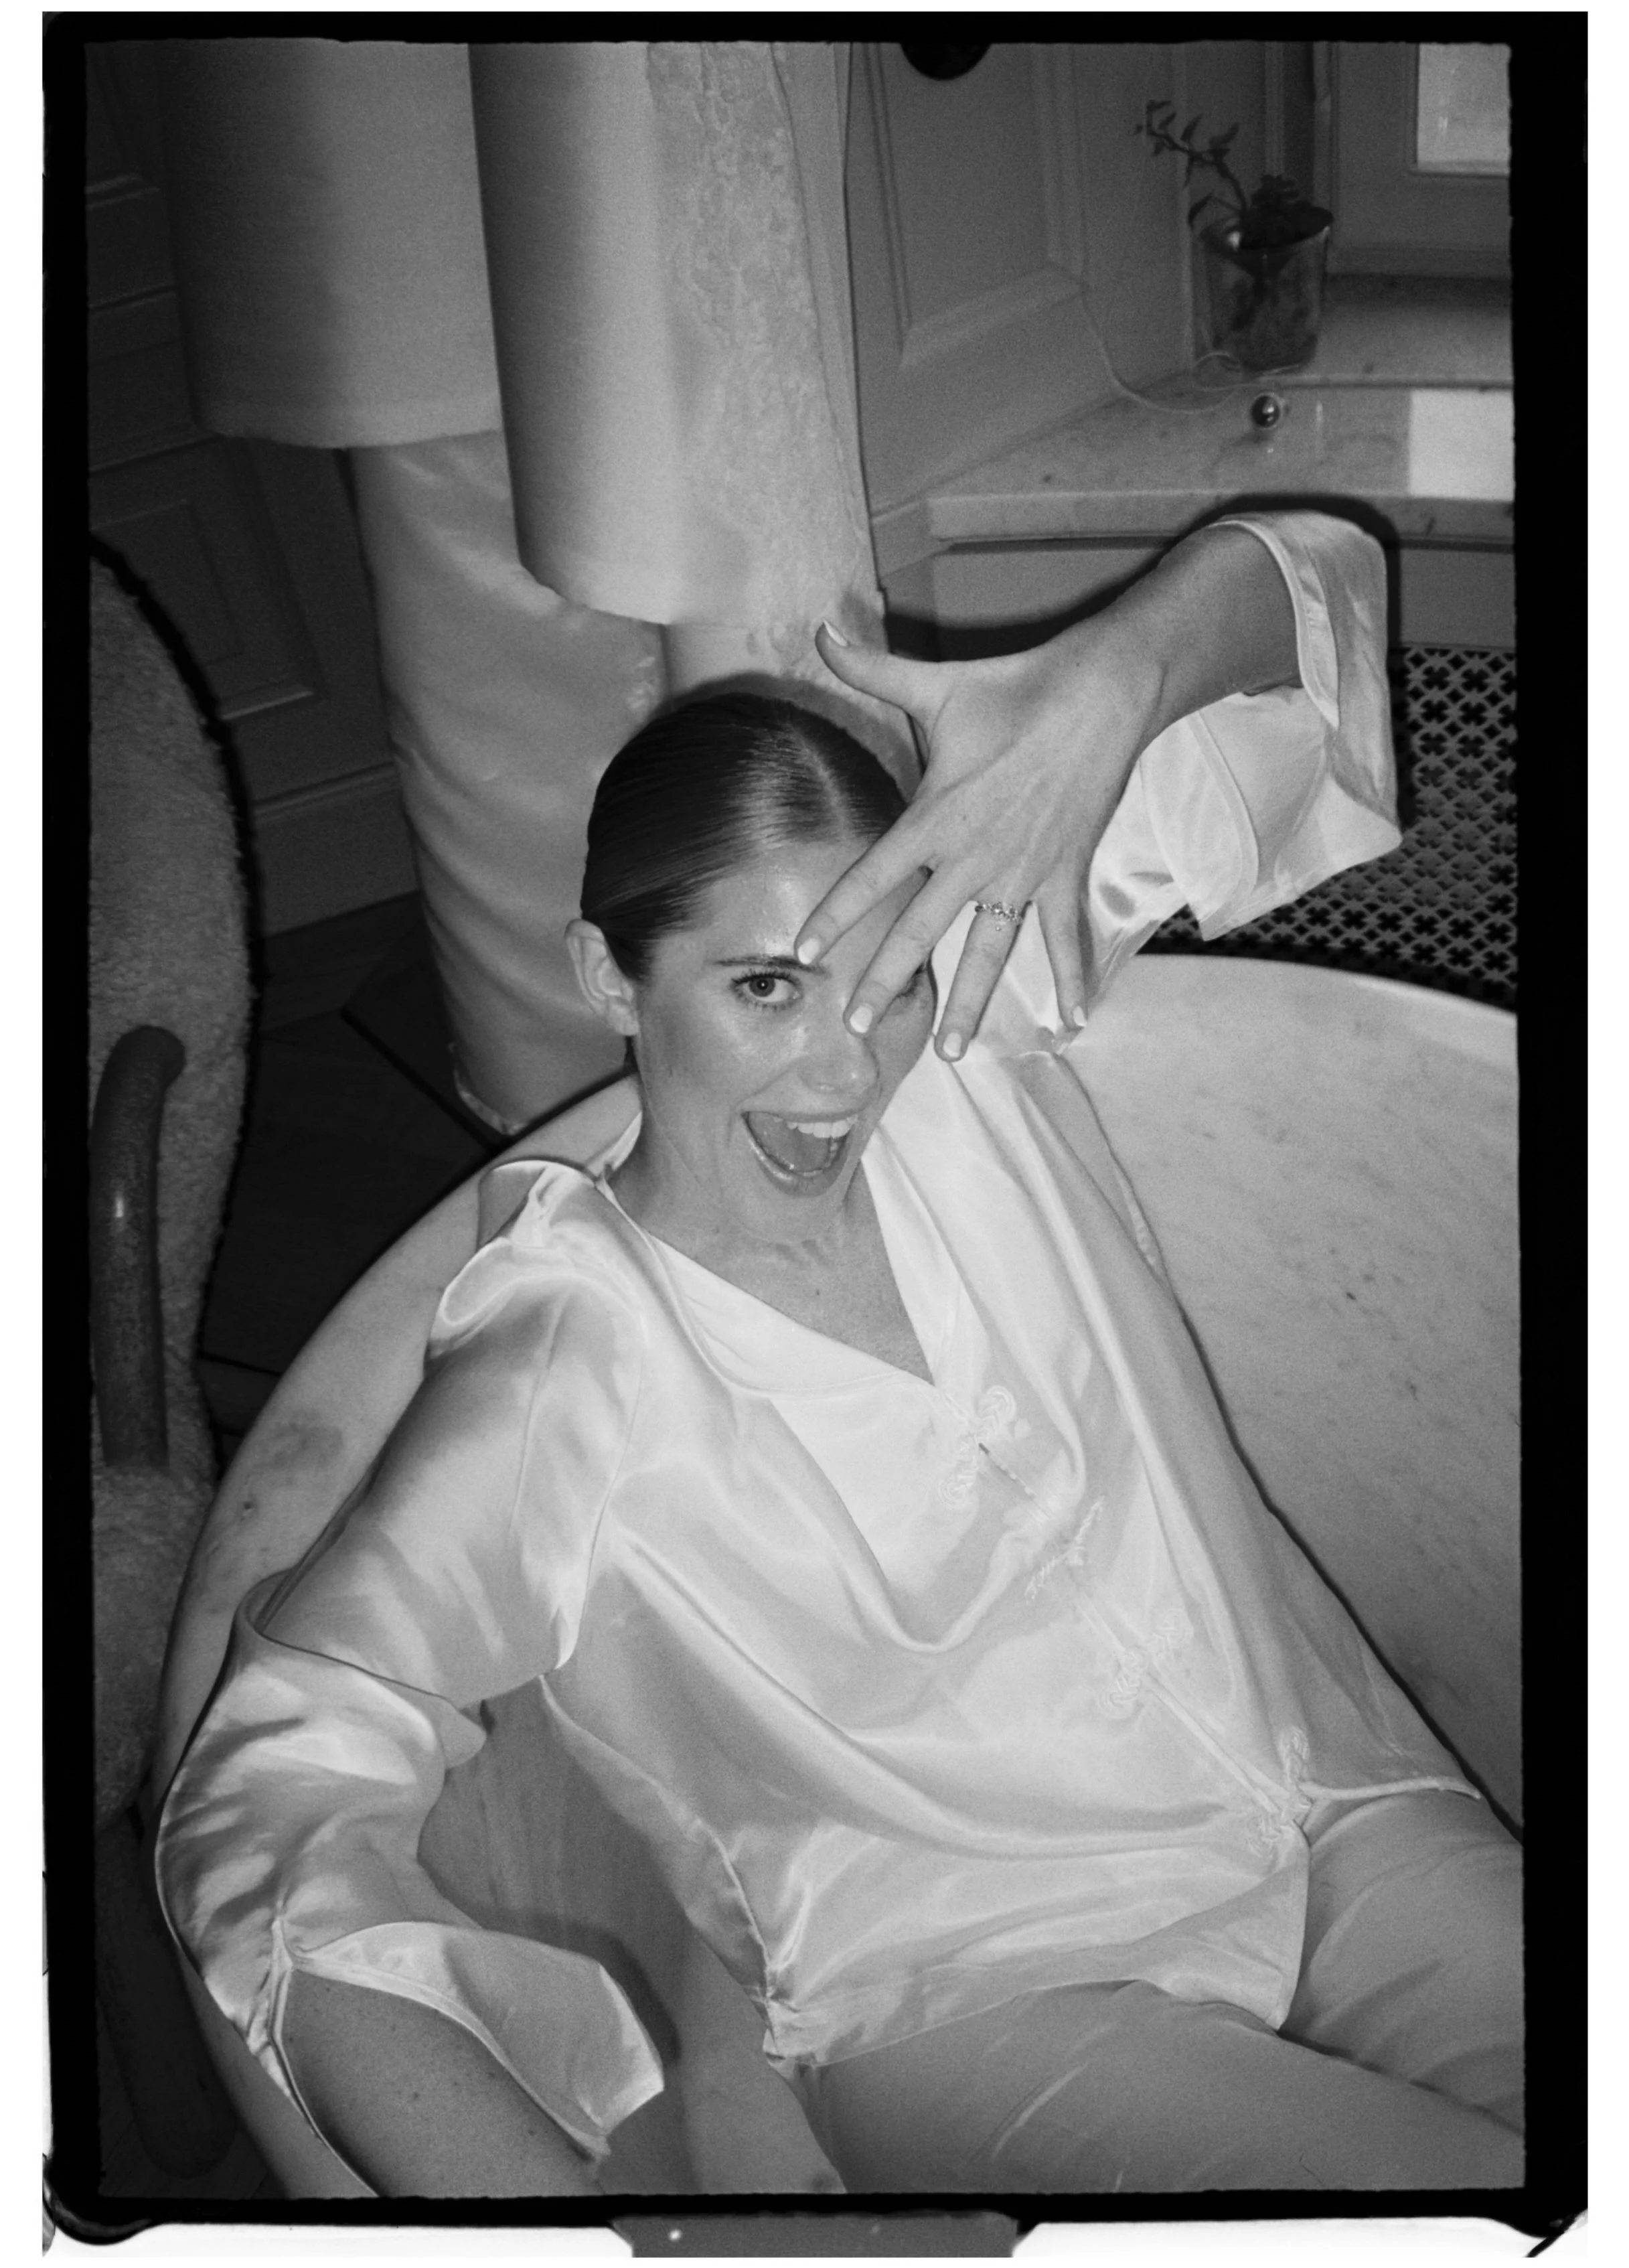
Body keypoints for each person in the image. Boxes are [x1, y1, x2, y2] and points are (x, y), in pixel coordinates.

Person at [156, 513, 1523, 2198]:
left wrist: (1107, 687)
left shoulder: (975, 1015)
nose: (842, 1067)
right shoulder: (564, 1366)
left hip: (1330, 1799)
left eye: (874, 972)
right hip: (981, 1988)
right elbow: (270, 1782)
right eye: (763, 986)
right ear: (608, 973)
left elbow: (1315, 637)